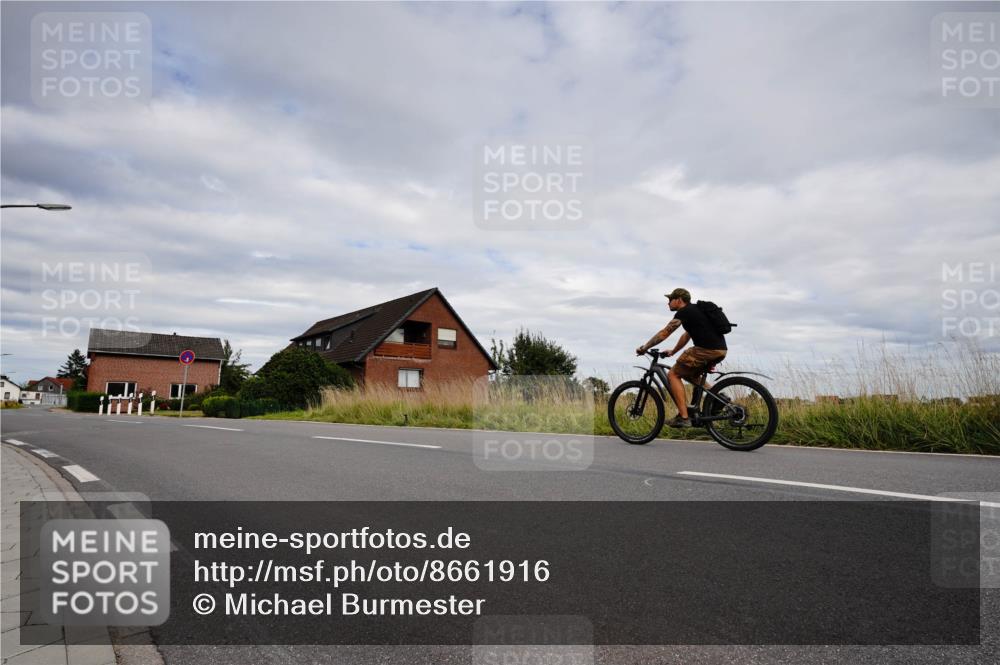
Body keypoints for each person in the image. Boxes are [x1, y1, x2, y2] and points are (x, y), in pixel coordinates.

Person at [635, 288, 727, 428]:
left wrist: (645, 348)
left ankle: (684, 418)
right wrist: (673, 351)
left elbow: (664, 333)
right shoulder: (696, 311)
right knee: (690, 375)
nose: (668, 304)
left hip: (706, 350)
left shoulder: (684, 311)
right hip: (720, 350)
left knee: (673, 374)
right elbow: (687, 335)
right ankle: (719, 398)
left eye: (670, 300)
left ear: (679, 300)